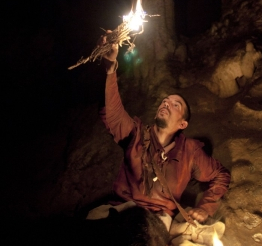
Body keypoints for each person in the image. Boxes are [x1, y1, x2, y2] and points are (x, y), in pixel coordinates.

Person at [96, 39, 231, 232]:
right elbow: (112, 114)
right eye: (165, 101)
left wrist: (205, 207)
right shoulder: (136, 134)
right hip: (121, 211)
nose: (166, 104)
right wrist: (110, 68)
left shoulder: (189, 151)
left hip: (157, 222)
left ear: (182, 124)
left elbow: (220, 175)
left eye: (176, 105)